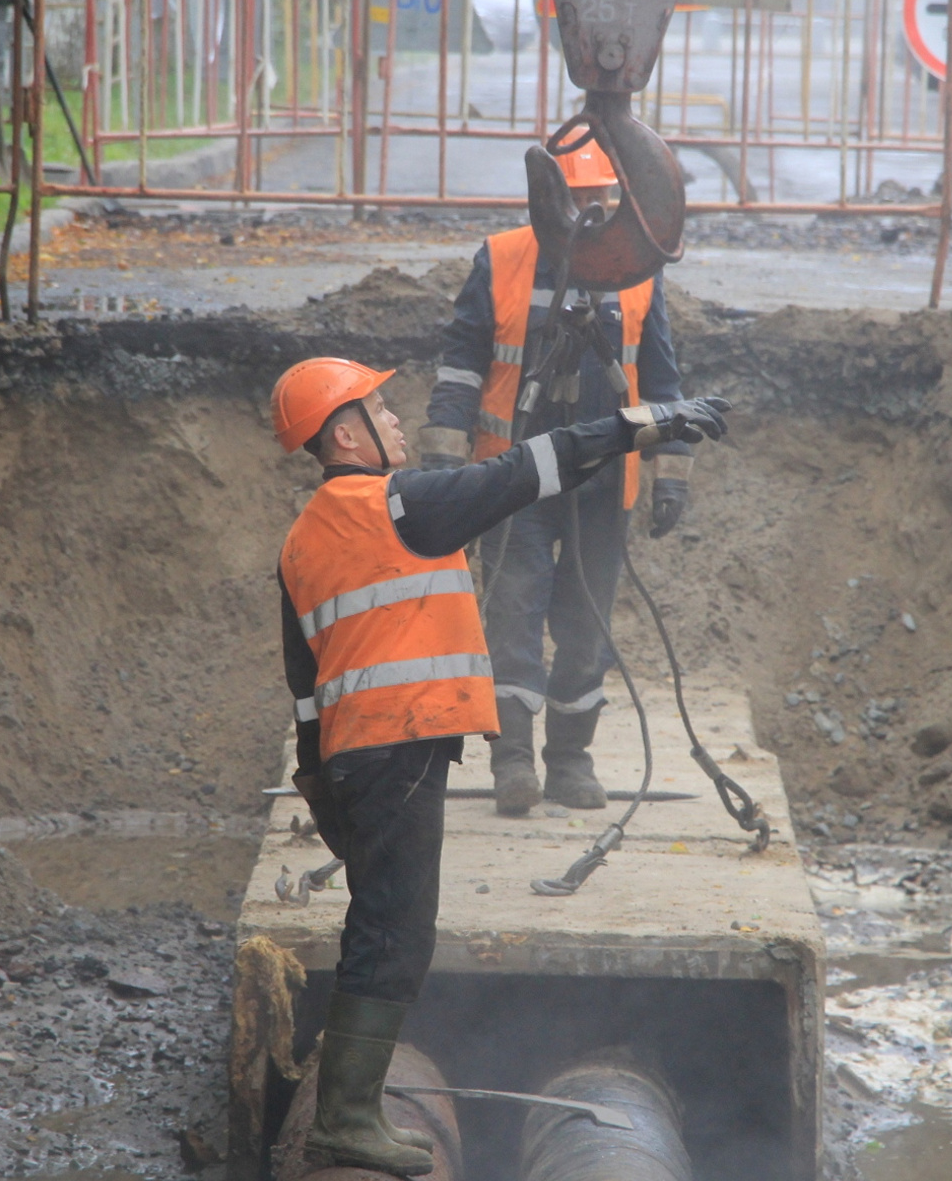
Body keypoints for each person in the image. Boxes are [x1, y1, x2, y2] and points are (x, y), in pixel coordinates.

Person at [272, 356, 728, 1176]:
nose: (400, 421)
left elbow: (304, 694)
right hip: (401, 744)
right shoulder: (401, 506)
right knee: (395, 934)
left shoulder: (303, 540)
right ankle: (344, 1119)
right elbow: (529, 467)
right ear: (346, 434)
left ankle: (349, 1111)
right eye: (382, 409)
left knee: (386, 923)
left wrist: (323, 791)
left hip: (356, 757)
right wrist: (642, 425)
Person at [416, 135, 694, 817]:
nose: (591, 212)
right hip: (513, 481)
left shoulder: (637, 271)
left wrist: (672, 473)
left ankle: (570, 759)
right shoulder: (504, 258)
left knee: (586, 627)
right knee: (512, 619)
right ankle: (512, 761)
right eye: (577, 199)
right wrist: (446, 461)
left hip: (604, 483)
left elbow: (659, 376)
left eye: (601, 198)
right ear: (548, 201)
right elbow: (462, 362)